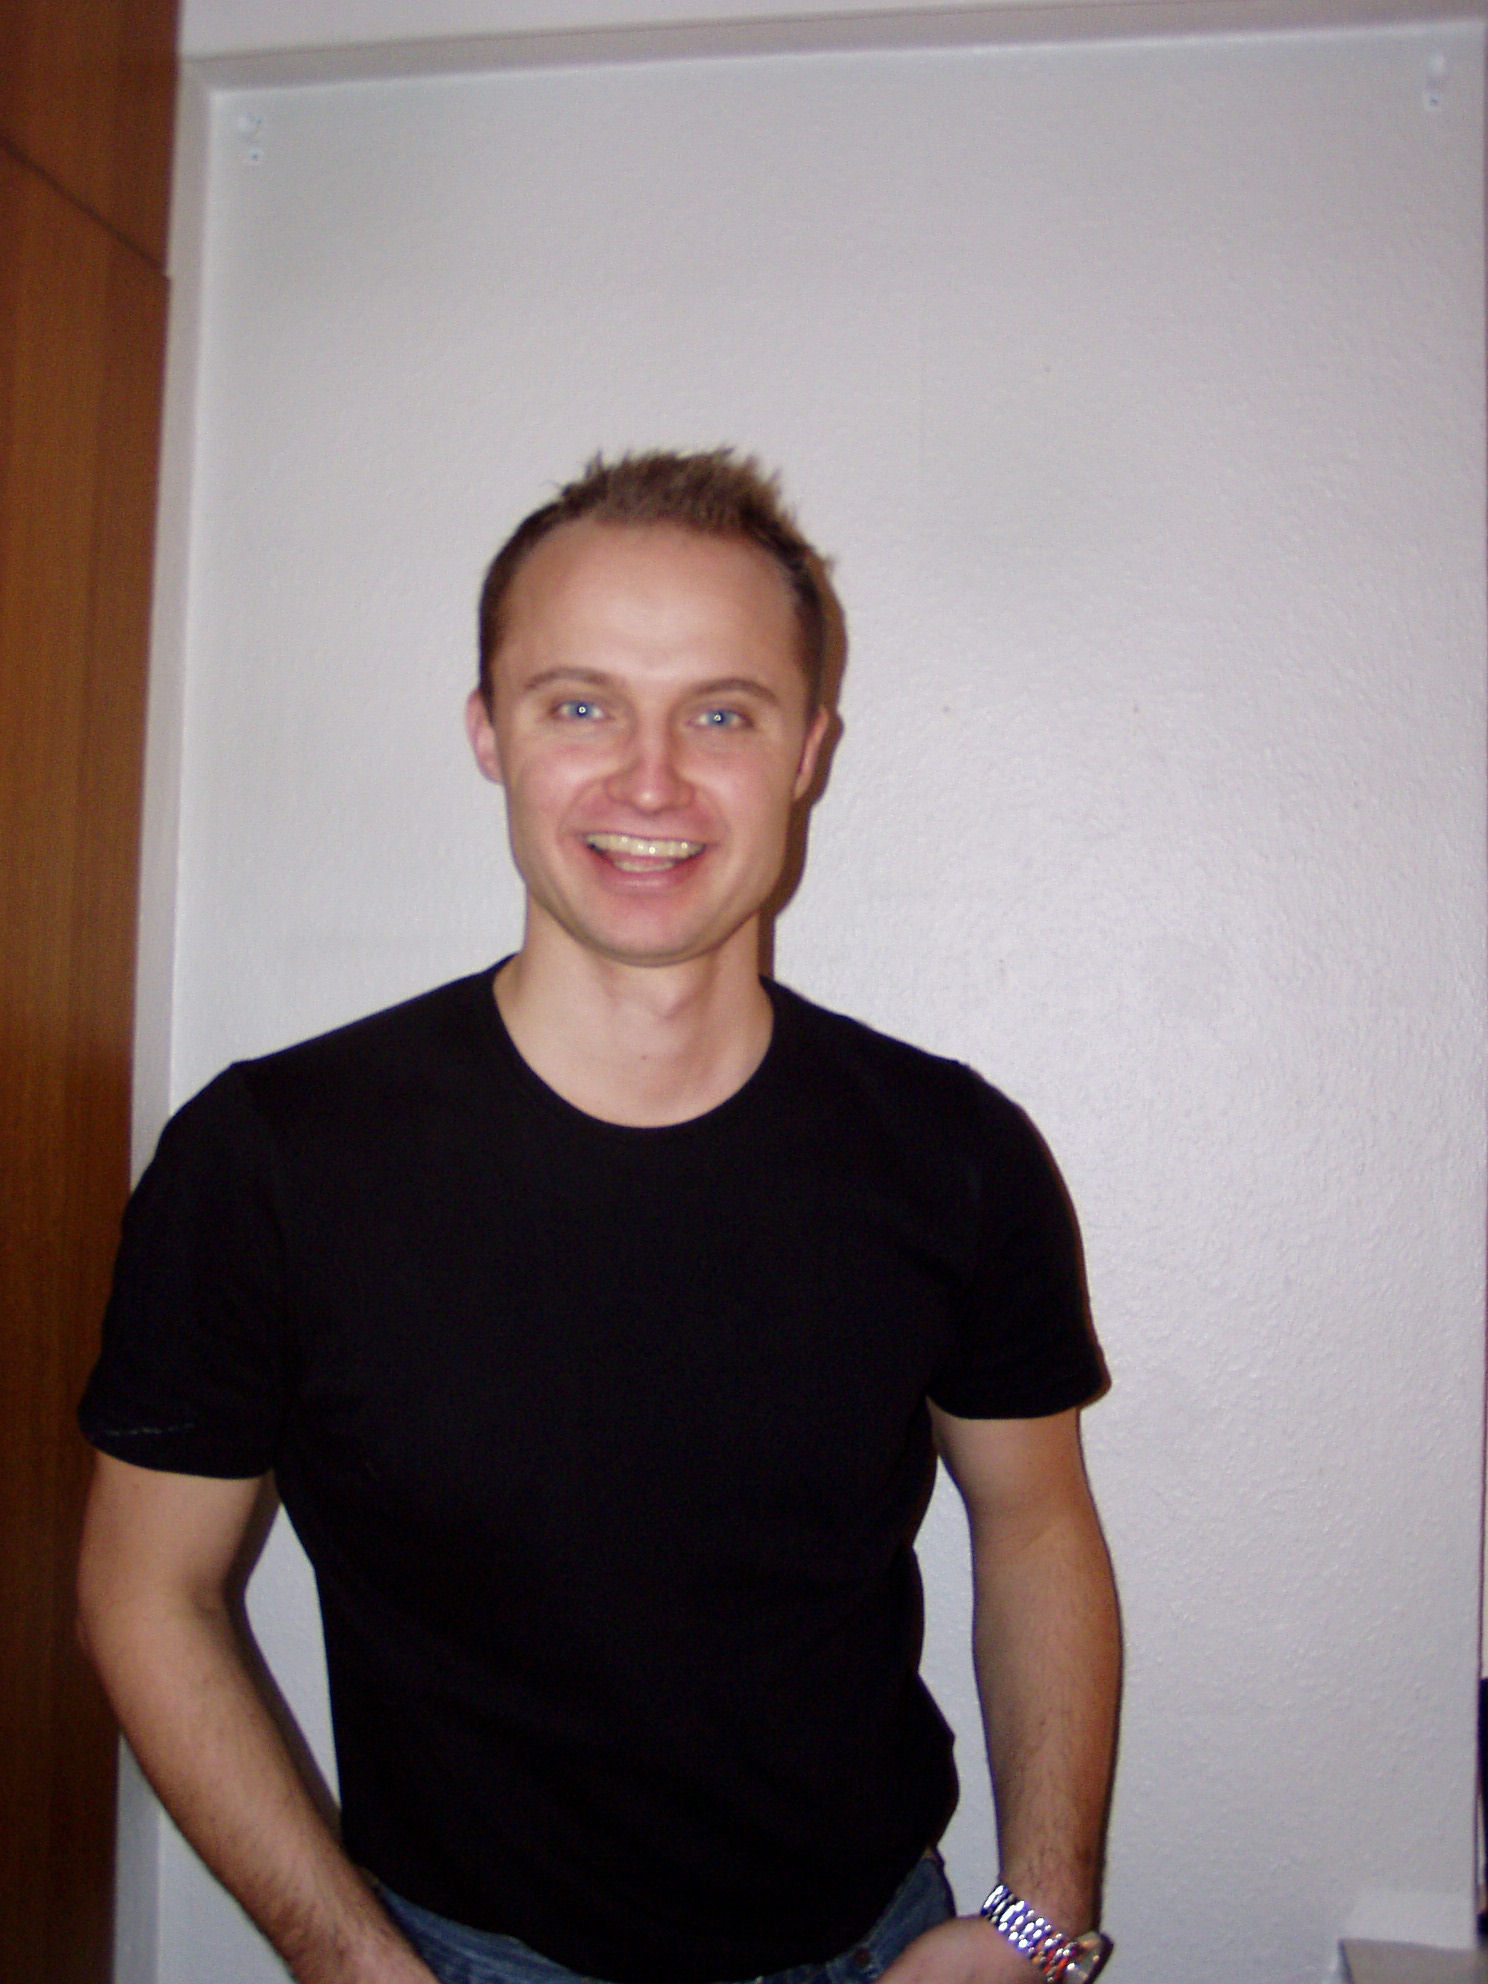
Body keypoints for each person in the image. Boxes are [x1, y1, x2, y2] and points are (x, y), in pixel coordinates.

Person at [76, 450, 1121, 1984]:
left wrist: (1037, 1920)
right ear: (487, 732)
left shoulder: (953, 1153)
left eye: (722, 713)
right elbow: (143, 1589)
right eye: (580, 706)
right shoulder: (272, 1160)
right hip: (463, 1956)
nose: (650, 781)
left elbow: (1034, 1526)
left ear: (809, 751)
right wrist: (352, 1966)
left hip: (884, 1947)